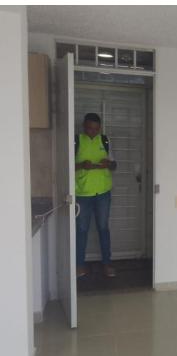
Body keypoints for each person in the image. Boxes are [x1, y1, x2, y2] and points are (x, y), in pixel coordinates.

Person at [75, 113, 117, 278]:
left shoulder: (105, 141)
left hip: (103, 193)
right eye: (89, 128)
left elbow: (114, 165)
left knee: (103, 228)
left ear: (99, 128)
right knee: (81, 230)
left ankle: (107, 263)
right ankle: (79, 265)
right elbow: (67, 165)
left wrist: (109, 163)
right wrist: (81, 165)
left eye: (96, 129)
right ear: (84, 127)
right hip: (82, 193)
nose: (92, 132)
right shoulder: (76, 141)